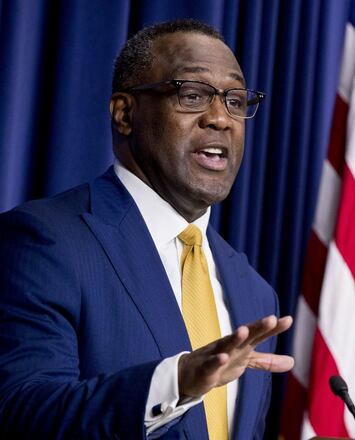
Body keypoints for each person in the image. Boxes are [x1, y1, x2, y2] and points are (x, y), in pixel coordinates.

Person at [0, 19, 294, 439]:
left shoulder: (254, 291)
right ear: (124, 113)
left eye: (234, 99)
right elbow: (22, 411)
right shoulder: (44, 241)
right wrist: (175, 382)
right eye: (193, 95)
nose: (221, 119)